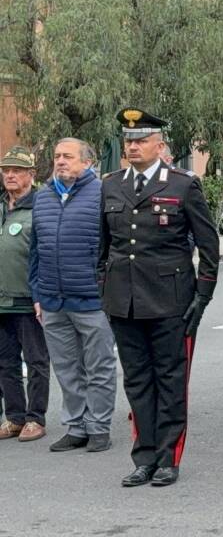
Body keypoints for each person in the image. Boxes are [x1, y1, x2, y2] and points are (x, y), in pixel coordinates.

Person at [99, 108, 220, 487]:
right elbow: (104, 248)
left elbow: (208, 245)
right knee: (136, 381)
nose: (133, 146)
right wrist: (104, 286)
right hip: (125, 301)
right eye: (128, 140)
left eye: (141, 140)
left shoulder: (182, 185)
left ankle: (168, 457)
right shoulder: (112, 184)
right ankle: (144, 456)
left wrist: (202, 296)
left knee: (170, 380)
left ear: (160, 144)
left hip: (171, 300)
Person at [31, 138, 118, 452]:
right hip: (53, 299)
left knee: (99, 367)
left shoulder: (103, 194)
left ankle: (98, 427)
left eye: (67, 156)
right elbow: (35, 251)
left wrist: (107, 289)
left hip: (92, 299)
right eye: (56, 156)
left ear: (86, 162)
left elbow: (113, 247)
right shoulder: (43, 197)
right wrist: (37, 294)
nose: (60, 161)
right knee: (67, 368)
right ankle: (76, 426)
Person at [0, 147, 50, 443]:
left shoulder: (39, 207)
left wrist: (42, 294)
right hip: (1, 299)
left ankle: (36, 417)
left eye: (17, 170)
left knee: (36, 361)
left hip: (28, 298)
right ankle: (15, 416)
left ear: (31, 175)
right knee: (5, 362)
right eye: (6, 170)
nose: (10, 175)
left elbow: (45, 253)